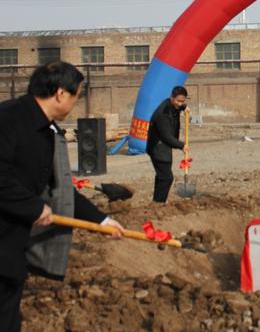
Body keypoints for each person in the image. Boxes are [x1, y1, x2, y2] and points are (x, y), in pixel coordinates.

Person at [0, 62, 124, 332]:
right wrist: (33, 207)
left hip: (12, 247)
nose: (75, 102)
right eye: (76, 95)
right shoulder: (8, 119)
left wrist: (102, 221)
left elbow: (61, 190)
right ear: (60, 93)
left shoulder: (47, 133)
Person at [146, 86, 189, 203]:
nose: (180, 103)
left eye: (182, 101)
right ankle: (159, 204)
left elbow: (178, 107)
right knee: (166, 178)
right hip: (158, 148)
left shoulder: (172, 105)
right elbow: (166, 136)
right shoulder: (163, 114)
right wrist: (182, 145)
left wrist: (184, 107)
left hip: (164, 146)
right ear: (172, 97)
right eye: (178, 101)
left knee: (162, 176)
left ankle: (157, 202)